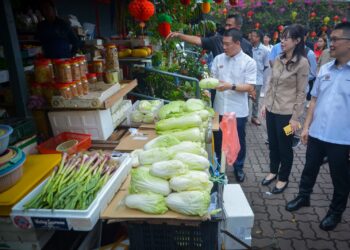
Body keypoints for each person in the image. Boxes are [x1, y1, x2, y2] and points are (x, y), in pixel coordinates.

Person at [286, 22, 350, 231]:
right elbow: (313, 101)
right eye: (330, 39)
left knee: (340, 178)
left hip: (342, 139)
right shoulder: (325, 69)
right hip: (317, 134)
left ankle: (335, 212)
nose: (330, 43)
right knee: (309, 168)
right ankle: (303, 197)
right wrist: (306, 127)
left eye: (335, 39)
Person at [261, 24, 310, 194]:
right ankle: (273, 171)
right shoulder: (278, 59)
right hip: (272, 111)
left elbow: (301, 92)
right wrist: (265, 104)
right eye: (281, 37)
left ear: (297, 41)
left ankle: (283, 178)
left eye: (286, 38)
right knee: (273, 144)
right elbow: (271, 84)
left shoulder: (302, 63)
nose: (282, 41)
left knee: (285, 147)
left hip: (288, 115)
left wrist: (295, 118)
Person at [211, 28, 257, 182]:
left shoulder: (249, 62)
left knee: (238, 141)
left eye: (227, 44)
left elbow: (250, 87)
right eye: (223, 44)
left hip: (238, 111)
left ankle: (238, 167)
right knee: (218, 141)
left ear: (238, 43)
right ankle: (218, 167)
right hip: (219, 108)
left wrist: (231, 86)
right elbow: (213, 79)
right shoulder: (218, 59)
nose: (224, 47)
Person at [166, 14, 252, 58]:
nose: (226, 27)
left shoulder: (247, 46)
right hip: (218, 88)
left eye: (229, 25)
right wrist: (179, 35)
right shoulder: (217, 40)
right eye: (226, 25)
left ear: (238, 27)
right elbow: (198, 40)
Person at [249, 30, 269, 126]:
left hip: (257, 79)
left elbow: (266, 65)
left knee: (255, 100)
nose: (251, 37)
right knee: (244, 98)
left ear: (258, 38)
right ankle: (243, 117)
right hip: (246, 78)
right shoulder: (247, 47)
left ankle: (254, 117)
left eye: (253, 36)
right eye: (251, 35)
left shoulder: (265, 50)